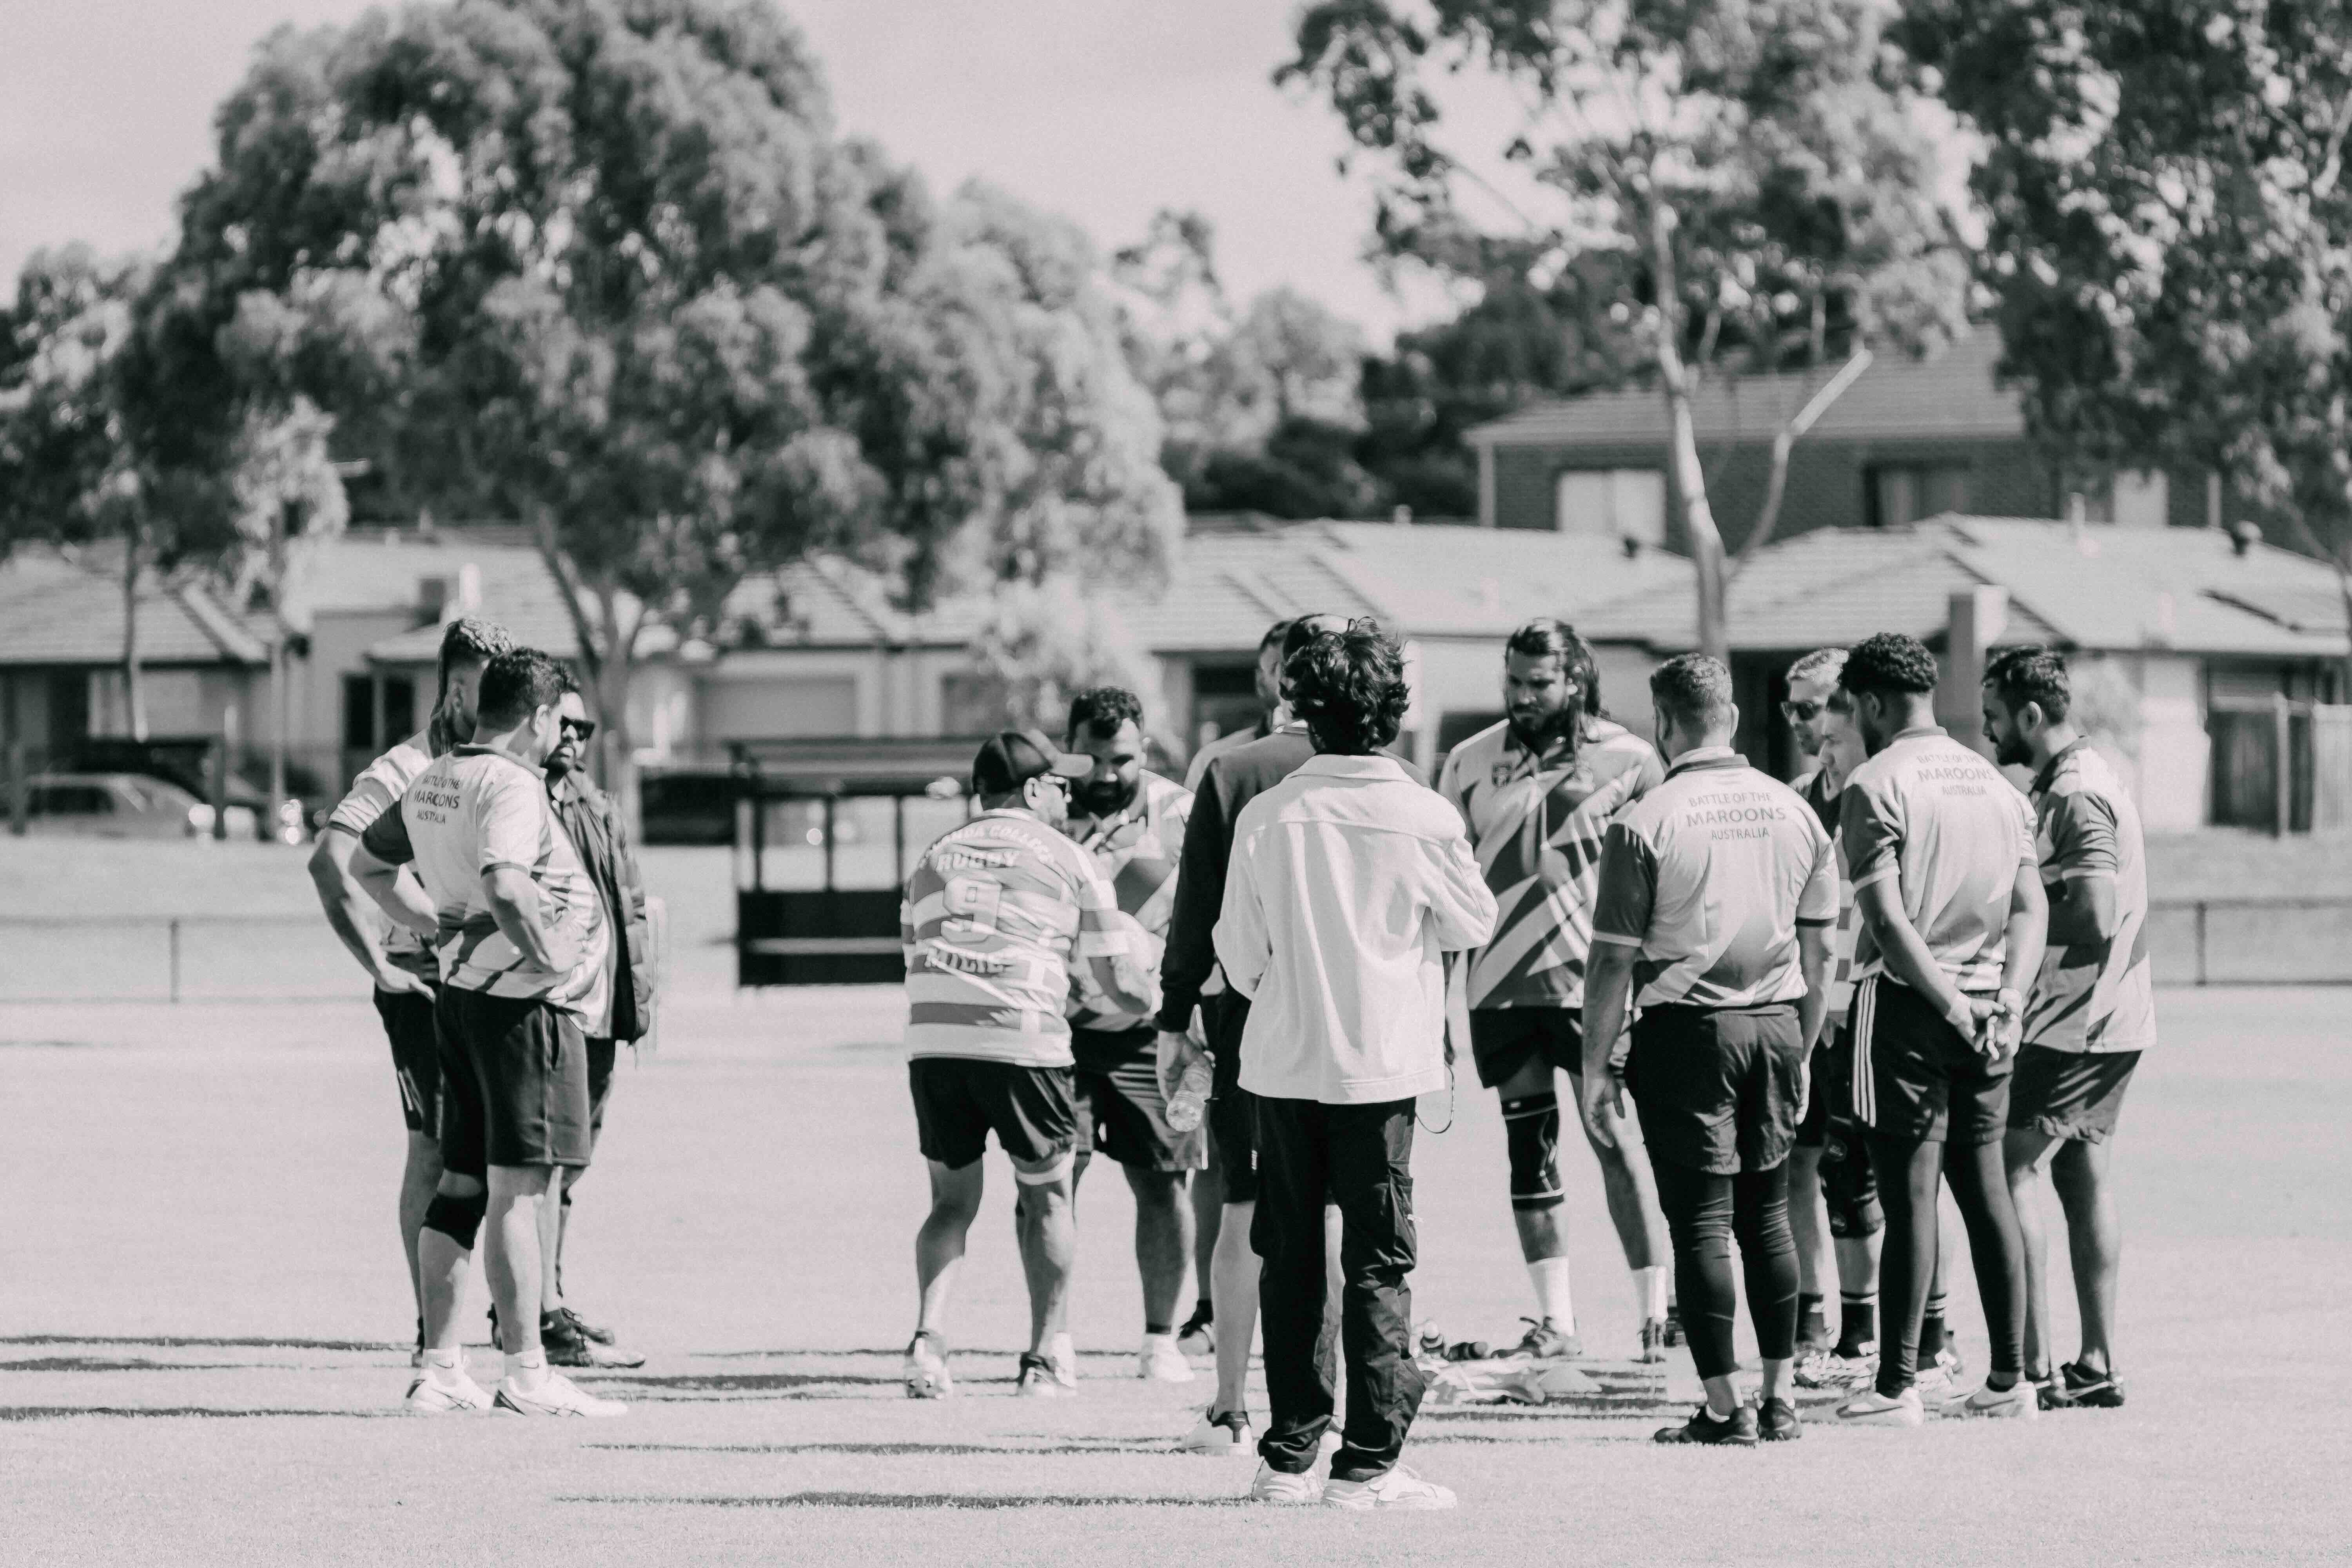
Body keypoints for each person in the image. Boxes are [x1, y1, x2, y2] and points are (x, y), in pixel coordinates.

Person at [1217, 621, 1497, 1510]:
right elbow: (1474, 921)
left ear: (1305, 711)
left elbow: (1240, 958)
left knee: (1291, 1257)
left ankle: (1289, 1456)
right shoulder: (1423, 814)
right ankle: (1369, 1462)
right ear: (1391, 715)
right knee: (1378, 1263)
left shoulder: (1266, 815)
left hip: (1283, 1063)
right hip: (1381, 1070)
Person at [351, 648, 622, 1417]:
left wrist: (438, 926)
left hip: (462, 1003)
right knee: (519, 1189)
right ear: (538, 716)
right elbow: (506, 882)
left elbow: (369, 866)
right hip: (523, 1012)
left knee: (462, 1181)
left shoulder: (436, 776)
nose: (561, 732)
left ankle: (440, 1368)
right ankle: (528, 1373)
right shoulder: (512, 783)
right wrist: (548, 954)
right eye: (558, 718)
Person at [1580, 654, 1834, 1445]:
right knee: (1770, 1220)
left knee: (1700, 1224)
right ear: (1732, 715)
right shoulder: (1795, 810)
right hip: (1779, 1024)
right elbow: (1822, 949)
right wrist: (1804, 1044)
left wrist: (1594, 1065)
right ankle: (1781, 1398)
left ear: (1663, 722)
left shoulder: (1645, 820)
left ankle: (1726, 1408)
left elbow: (1612, 960)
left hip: (1687, 1033)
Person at [1436, 617, 1674, 1360]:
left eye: (1539, 683)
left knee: (1616, 1141)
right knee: (1529, 1153)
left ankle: (1658, 1319)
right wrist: (1435, 1007)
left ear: (1576, 680)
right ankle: (1558, 1325)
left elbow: (1667, 881)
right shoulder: (1468, 762)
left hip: (1592, 989)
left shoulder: (1633, 759)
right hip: (1499, 989)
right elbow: (1444, 892)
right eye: (1513, 681)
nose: (1522, 696)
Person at [898, 730, 1159, 1400]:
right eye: (1061, 786)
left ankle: (927, 1343)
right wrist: (1162, 998)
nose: (1069, 797)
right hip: (1023, 1043)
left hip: (934, 1042)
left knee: (950, 1203)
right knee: (1048, 1197)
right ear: (1036, 789)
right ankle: (1043, 1359)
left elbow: (915, 953)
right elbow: (1120, 985)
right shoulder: (1069, 857)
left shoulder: (933, 855)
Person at [1830, 633, 2047, 1427]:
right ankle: (2011, 1380)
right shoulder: (1997, 784)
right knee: (1985, 1190)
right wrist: (2009, 1001)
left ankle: (1896, 1388)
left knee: (1910, 1195)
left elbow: (1887, 922)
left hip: (1909, 1010)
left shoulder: (1874, 781)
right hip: (1991, 1008)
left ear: (1873, 703)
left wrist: (1950, 1005)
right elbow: (2031, 906)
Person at [1156, 613, 1358, 1457]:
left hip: (1249, 1014)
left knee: (1244, 1206)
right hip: (1353, 1021)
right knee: (1337, 1215)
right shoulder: (1387, 775)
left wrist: (1175, 1015)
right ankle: (1333, 1409)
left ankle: (1232, 1407)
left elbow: (1195, 906)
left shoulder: (1233, 769)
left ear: (1283, 679)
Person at [305, 617, 512, 1362]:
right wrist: (386, 965)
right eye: (490, 695)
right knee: (434, 1153)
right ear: (456, 692)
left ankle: (518, 1318)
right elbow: (331, 862)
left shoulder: (498, 765)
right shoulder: (403, 771)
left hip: (491, 985)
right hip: (423, 990)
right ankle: (436, 1330)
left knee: (506, 1155)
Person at [1983, 646, 2154, 1411]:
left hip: (2079, 1021)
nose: (1989, 732)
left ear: (2030, 714)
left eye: (1994, 716)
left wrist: (2006, 914)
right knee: (2080, 1174)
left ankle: (2034, 1367)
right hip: (2110, 1015)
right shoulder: (2080, 777)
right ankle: (2096, 1364)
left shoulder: (2076, 792)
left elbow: (2093, 913)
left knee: (2005, 1167)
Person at [1060, 687, 1201, 1383]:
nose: (1107, 773)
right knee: (1053, 1182)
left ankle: (1160, 1340)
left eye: (1121, 758)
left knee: (1164, 1183)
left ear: (1143, 747)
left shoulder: (1181, 812)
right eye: (1091, 757)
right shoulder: (1045, 812)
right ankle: (1052, 1339)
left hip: (1153, 1032)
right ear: (1070, 748)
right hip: (1059, 1033)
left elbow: (1212, 908)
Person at [524, 675, 654, 1370]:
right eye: (564, 724)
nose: (574, 737)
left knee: (570, 1166)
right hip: (550, 1008)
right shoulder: (518, 800)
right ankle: (532, 1313)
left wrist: (637, 1000)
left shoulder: (598, 807)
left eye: (585, 729)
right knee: (541, 1169)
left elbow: (628, 909)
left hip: (601, 1010)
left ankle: (549, 1296)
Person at [1174, 617, 1291, 1359]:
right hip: (1230, 993)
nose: (1288, 680)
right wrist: (1188, 994)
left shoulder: (1355, 761)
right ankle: (1212, 1308)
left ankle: (1297, 1319)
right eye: (1278, 666)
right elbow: (1195, 885)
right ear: (1262, 675)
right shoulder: (1219, 765)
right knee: (1224, 1163)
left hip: (1304, 990)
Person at [1184, 620, 1290, 791]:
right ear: (1260, 681)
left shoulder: (1330, 759)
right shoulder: (1214, 762)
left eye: (1301, 669)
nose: (1288, 680)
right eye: (1279, 669)